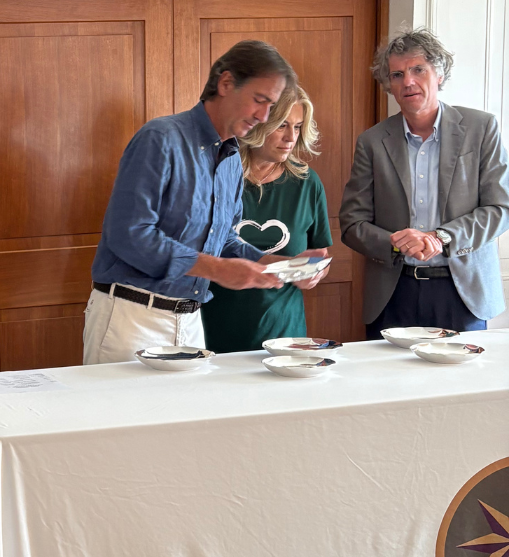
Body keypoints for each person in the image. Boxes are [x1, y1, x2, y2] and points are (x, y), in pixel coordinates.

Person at [84, 39, 324, 365]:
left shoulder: (230, 159)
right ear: (225, 83)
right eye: (259, 100)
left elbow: (224, 240)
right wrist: (217, 269)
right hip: (132, 318)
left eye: (271, 106)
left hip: (191, 322)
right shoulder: (160, 138)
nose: (264, 116)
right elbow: (129, 234)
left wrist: (279, 266)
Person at [340, 30, 509, 336]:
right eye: (397, 74)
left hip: (463, 293)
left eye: (418, 70)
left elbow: (500, 209)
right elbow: (352, 224)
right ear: (389, 85)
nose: (408, 81)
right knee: (388, 370)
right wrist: (395, 243)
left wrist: (441, 237)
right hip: (393, 293)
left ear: (439, 75)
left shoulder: (481, 128)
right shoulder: (372, 142)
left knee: (462, 371)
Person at [201, 86, 332, 353]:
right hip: (212, 328)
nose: (291, 137)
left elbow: (321, 255)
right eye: (282, 125)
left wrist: (313, 272)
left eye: (297, 127)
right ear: (257, 122)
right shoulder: (216, 176)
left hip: (284, 335)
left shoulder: (307, 183)